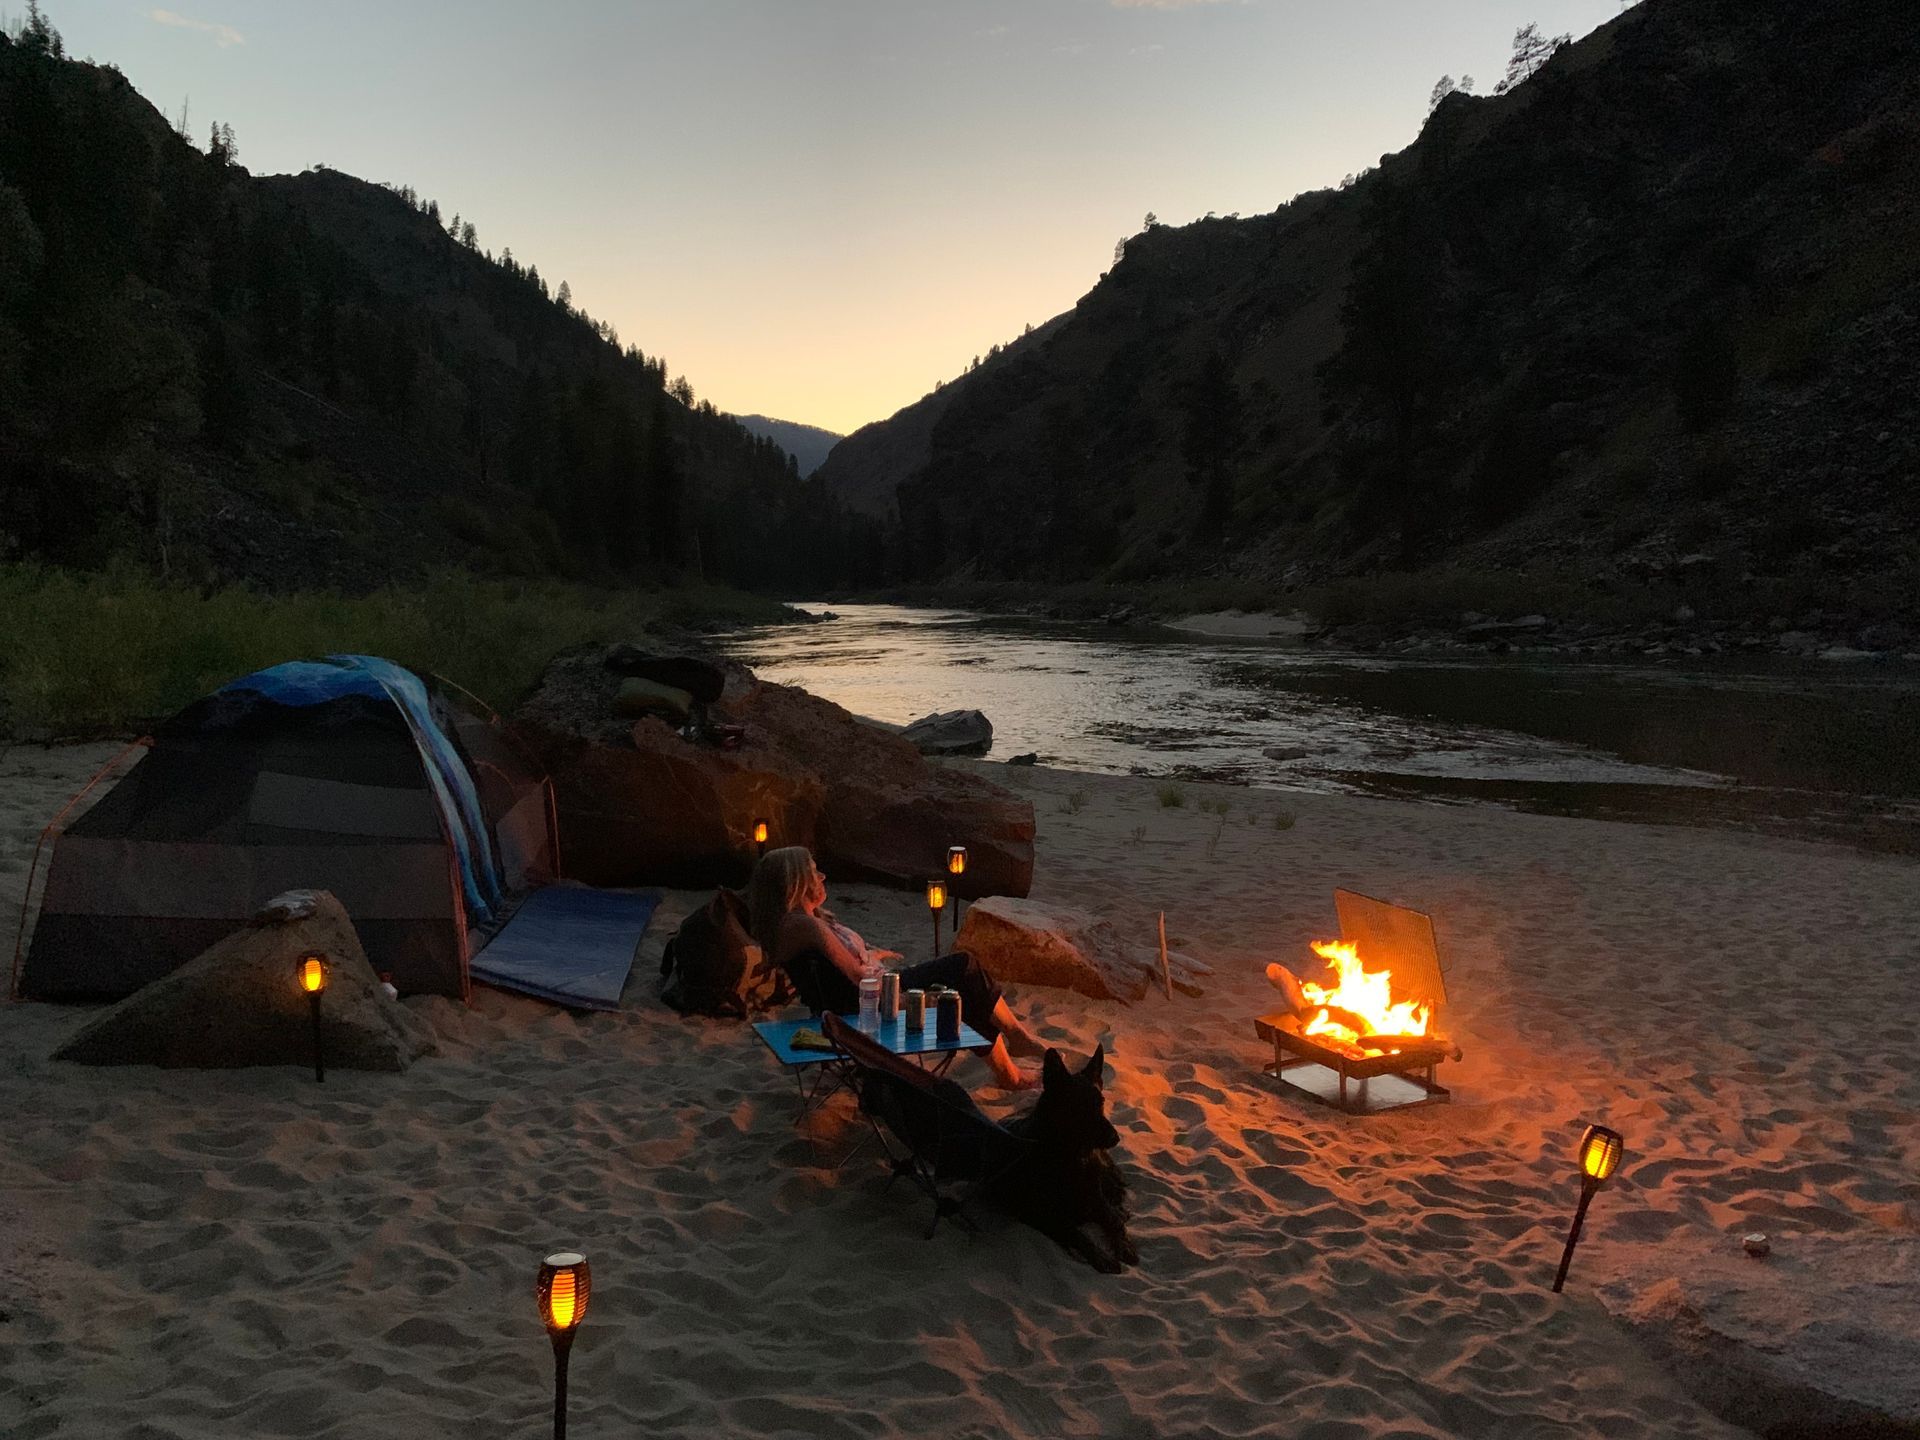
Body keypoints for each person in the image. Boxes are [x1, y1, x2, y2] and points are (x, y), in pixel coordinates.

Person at [748, 846, 1046, 1088]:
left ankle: (1013, 1061)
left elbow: (839, 967)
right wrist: (897, 992)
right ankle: (1014, 1054)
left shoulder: (802, 923)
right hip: (866, 1006)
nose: (822, 876)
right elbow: (855, 976)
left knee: (963, 979)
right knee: (963, 972)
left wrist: (874, 956)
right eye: (814, 871)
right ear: (797, 882)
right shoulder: (803, 925)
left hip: (863, 994)